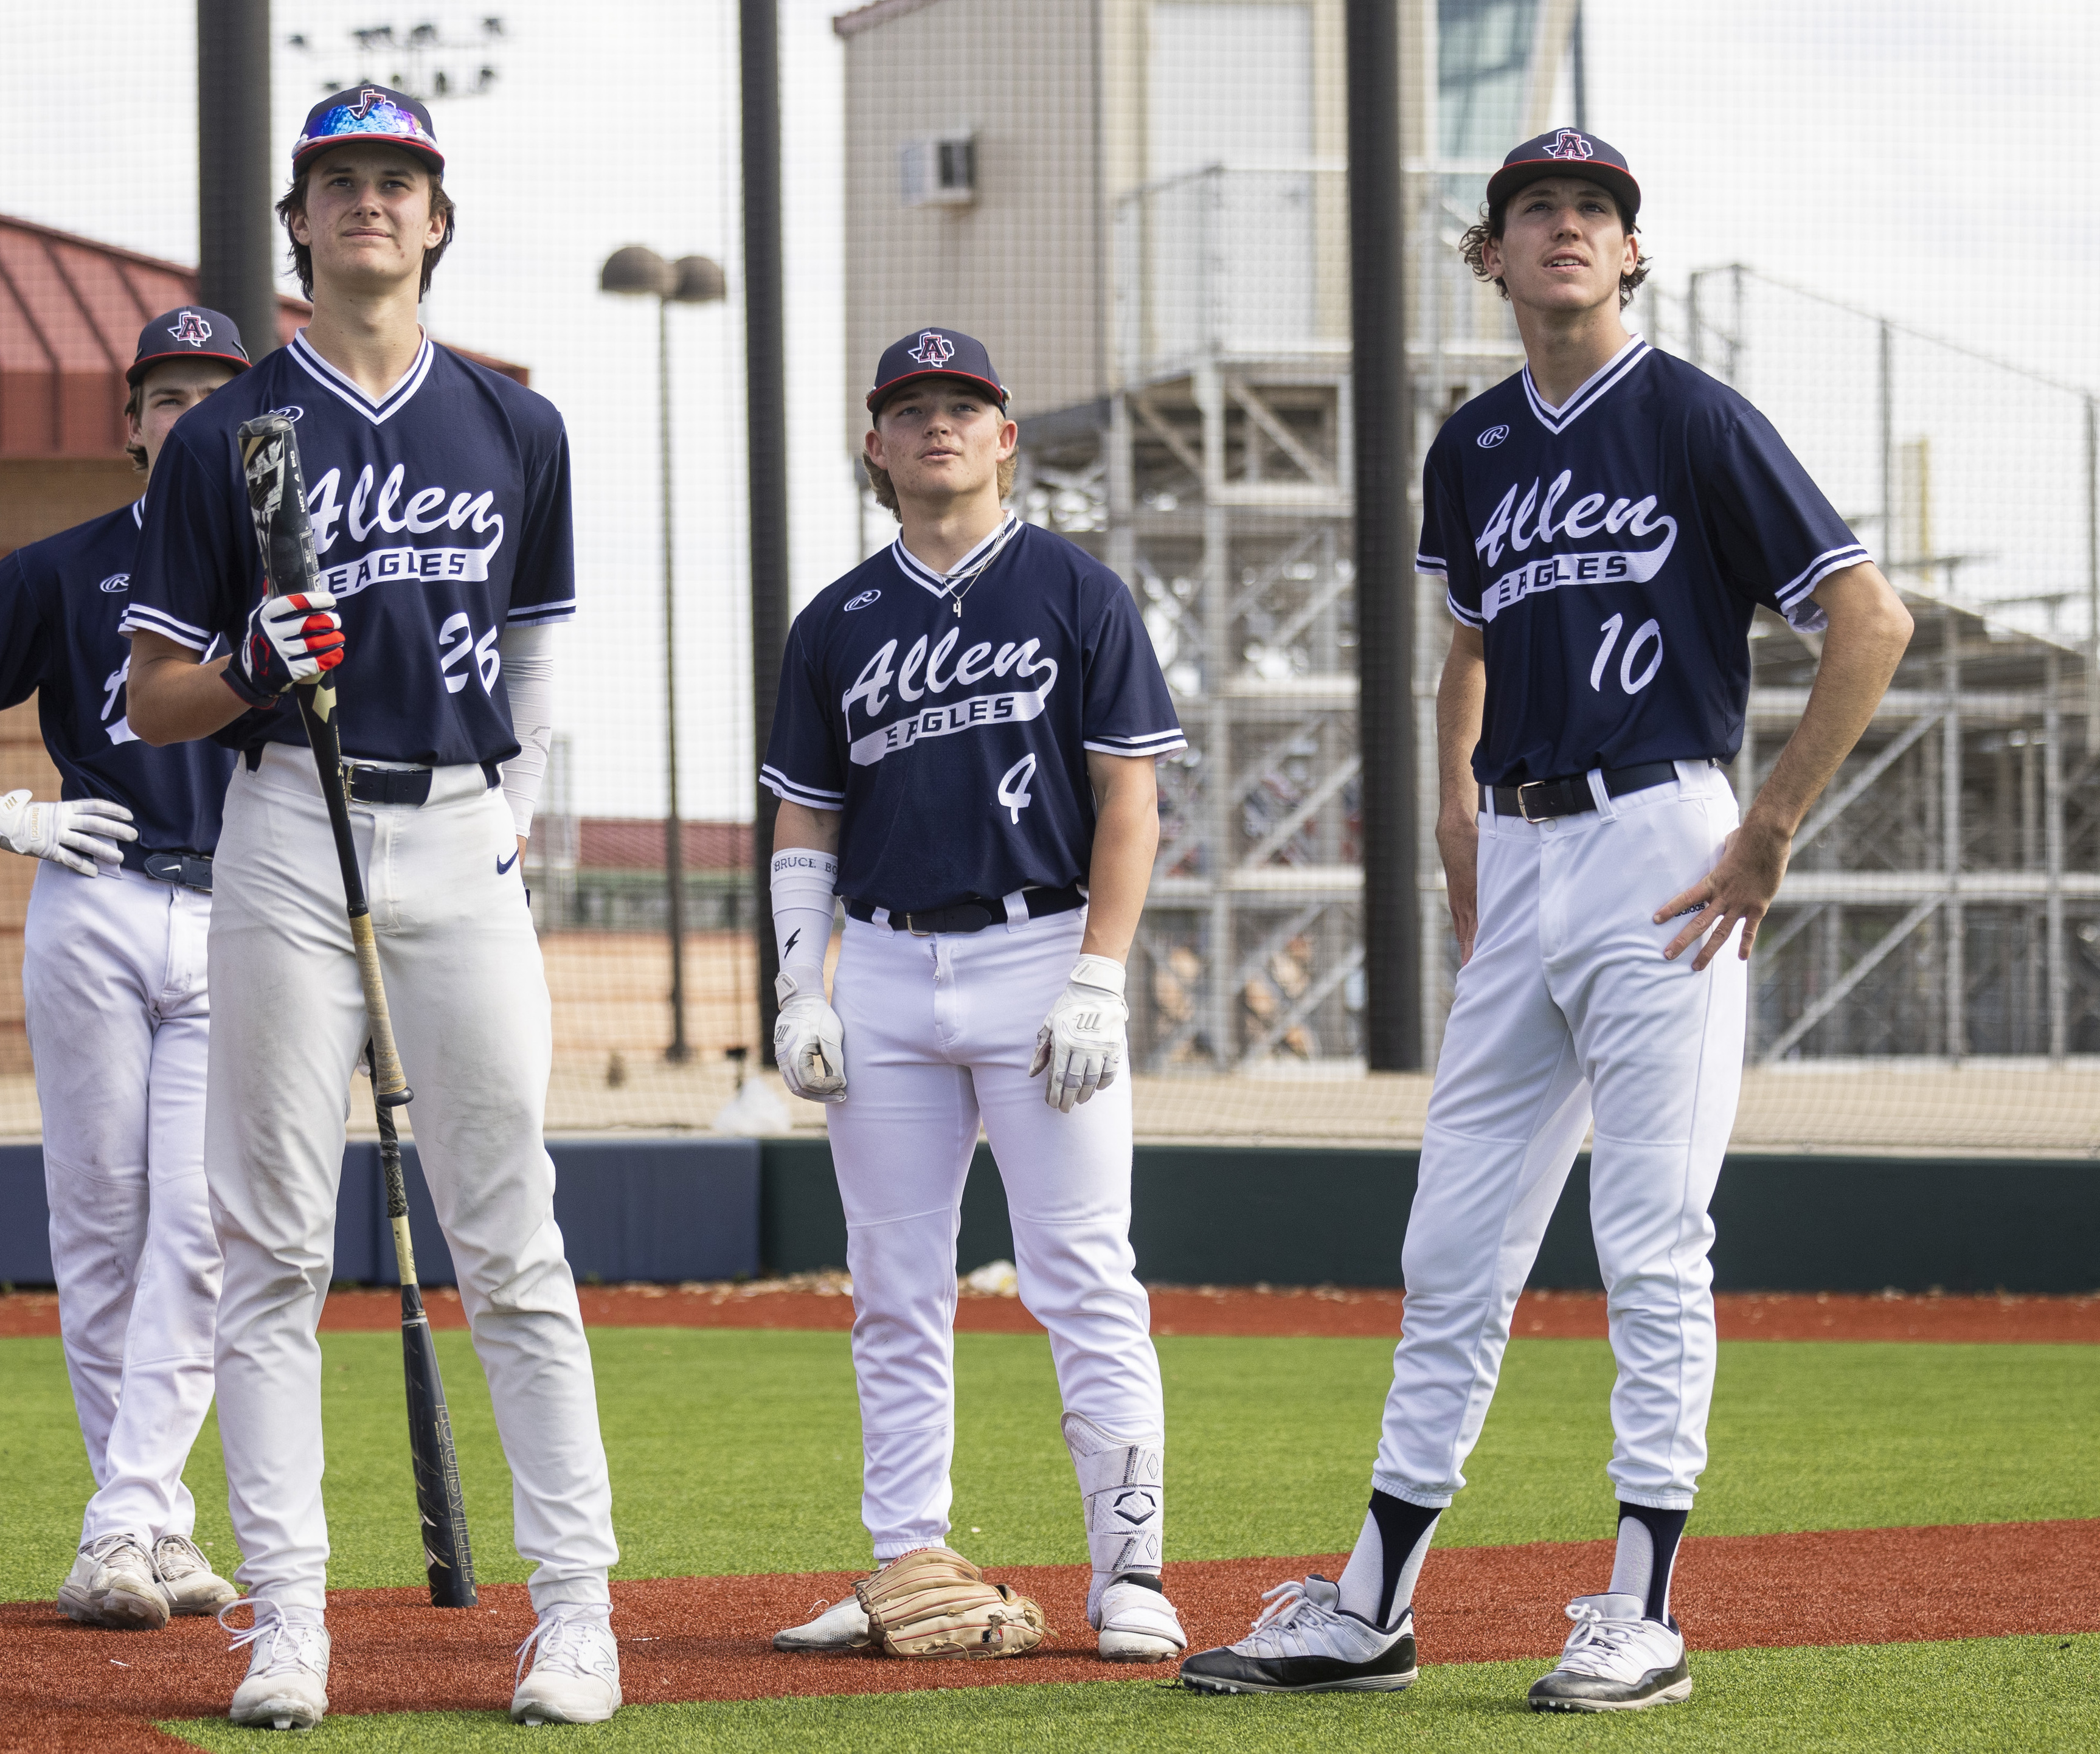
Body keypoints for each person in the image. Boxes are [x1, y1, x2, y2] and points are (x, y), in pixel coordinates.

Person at [1178, 129, 1913, 1712]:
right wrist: (1454, 818)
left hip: (1666, 837)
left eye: (1596, 211)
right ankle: (1372, 1602)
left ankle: (1642, 1607)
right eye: (1537, 211)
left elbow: (1870, 618)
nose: (1568, 228)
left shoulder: (1695, 417)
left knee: (1651, 1240)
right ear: (1492, 257)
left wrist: (1770, 825)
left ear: (1631, 255)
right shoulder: (1473, 447)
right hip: (1521, 855)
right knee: (1451, 1248)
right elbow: (1468, 644)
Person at [120, 85, 619, 1731]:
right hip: (280, 832)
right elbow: (152, 696)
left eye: (397, 179)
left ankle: (574, 1617)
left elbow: (537, 646)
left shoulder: (514, 425)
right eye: (339, 182)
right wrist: (251, 665)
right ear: (300, 224)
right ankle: (288, 1625)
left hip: (461, 831)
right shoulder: (225, 435)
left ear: (439, 215)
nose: (370, 205)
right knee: (266, 1245)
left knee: (514, 1240)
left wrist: (519, 816)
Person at [760, 328, 1192, 1664]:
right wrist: (800, 982)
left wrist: (1097, 972)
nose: (938, 424)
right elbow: (802, 818)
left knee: (1081, 1274)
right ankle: (907, 1563)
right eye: (911, 408)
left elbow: (1130, 794)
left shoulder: (1074, 589)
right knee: (893, 1284)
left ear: (1005, 437)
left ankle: (1127, 1573)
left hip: (1037, 949)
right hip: (882, 967)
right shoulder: (834, 621)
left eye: (963, 405)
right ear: (876, 446)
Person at [0, 306, 255, 1629]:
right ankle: (148, 1531)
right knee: (99, 1220)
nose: (189, 414)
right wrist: (2, 812)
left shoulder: (286, 579)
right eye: (167, 395)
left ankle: (127, 1518)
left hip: (239, 917)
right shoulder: (56, 567)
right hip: (92, 896)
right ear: (131, 420)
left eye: (217, 392)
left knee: (199, 1227)